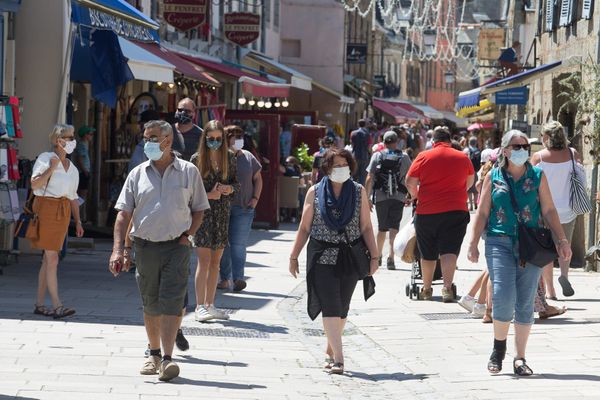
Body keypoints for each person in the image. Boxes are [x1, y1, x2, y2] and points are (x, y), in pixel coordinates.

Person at [467, 129, 571, 376]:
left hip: (530, 245)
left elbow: (549, 210)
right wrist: (472, 243)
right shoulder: (494, 176)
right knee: (503, 294)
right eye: (516, 146)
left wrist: (562, 239)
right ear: (504, 150)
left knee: (525, 301)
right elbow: (482, 212)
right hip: (498, 241)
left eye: (525, 146)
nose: (522, 150)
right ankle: (498, 348)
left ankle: (520, 357)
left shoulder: (537, 175)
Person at [110, 120, 208, 382]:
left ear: (167, 140)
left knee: (173, 302)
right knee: (150, 302)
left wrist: (188, 236)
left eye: (152, 137)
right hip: (145, 246)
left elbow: (199, 209)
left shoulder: (189, 172)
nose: (147, 142)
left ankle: (167, 359)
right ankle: (153, 354)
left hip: (177, 246)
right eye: (145, 137)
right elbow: (123, 215)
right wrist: (118, 249)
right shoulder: (137, 173)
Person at [289, 148, 379, 375]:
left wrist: (375, 256)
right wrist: (293, 256)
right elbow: (304, 228)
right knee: (330, 305)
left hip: (349, 255)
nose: (341, 169)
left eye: (344, 164)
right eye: (336, 165)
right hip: (322, 256)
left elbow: (366, 227)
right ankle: (339, 358)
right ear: (327, 169)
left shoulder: (358, 192)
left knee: (343, 308)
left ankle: (330, 349)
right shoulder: (315, 192)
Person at [406, 126, 474, 302]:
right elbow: (470, 180)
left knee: (427, 252)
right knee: (449, 251)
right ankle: (447, 289)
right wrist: (458, 192)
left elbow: (410, 181)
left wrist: (416, 195)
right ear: (450, 141)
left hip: (427, 211)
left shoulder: (423, 156)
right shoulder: (462, 157)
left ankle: (427, 289)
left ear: (433, 142)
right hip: (456, 210)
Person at [31, 124, 84, 319]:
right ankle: (57, 305)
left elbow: (73, 197)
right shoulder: (46, 158)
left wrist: (78, 221)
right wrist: (51, 169)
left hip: (63, 212)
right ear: (58, 140)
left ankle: (39, 303)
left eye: (72, 137)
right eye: (68, 137)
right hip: (46, 209)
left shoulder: (73, 168)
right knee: (52, 258)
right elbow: (34, 184)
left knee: (48, 259)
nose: (72, 141)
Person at [191, 120, 240, 322]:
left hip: (221, 214)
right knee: (203, 260)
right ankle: (199, 306)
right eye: (211, 139)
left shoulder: (229, 158)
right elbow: (191, 190)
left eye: (219, 139)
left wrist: (229, 189)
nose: (215, 142)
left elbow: (236, 183)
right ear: (205, 139)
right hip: (202, 214)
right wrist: (209, 195)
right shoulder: (196, 159)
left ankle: (211, 304)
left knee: (216, 263)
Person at [531, 120, 582, 298]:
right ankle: (564, 275)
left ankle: (550, 290)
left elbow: (531, 182)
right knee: (564, 243)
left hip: (545, 210)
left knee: (547, 248)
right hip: (568, 208)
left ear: (546, 137)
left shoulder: (539, 157)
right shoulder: (573, 154)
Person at [218, 125, 262, 292]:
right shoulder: (220, 157)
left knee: (238, 244)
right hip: (222, 207)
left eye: (240, 135)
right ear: (226, 138)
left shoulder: (248, 157)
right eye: (233, 136)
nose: (237, 139)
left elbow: (258, 179)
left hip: (244, 208)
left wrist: (255, 199)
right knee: (223, 244)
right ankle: (224, 278)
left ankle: (238, 278)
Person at [365, 131, 412, 270]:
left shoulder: (377, 155)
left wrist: (367, 197)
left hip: (380, 196)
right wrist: (410, 194)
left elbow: (369, 177)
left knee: (381, 228)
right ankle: (391, 258)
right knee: (394, 228)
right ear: (397, 142)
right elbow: (411, 177)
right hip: (399, 196)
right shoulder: (404, 157)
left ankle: (378, 256)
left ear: (383, 142)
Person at [74, 125, 94, 222]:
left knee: (82, 195)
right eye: (90, 134)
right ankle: (78, 216)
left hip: (83, 172)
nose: (91, 136)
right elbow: (80, 159)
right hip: (82, 172)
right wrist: (85, 171)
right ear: (85, 135)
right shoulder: (81, 145)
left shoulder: (84, 145)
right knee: (82, 195)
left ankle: (79, 215)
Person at [175, 97, 202, 162]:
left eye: (187, 111)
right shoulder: (167, 131)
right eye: (180, 110)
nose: (183, 113)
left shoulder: (201, 134)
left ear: (194, 114)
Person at [351, 119, 371, 185]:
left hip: (355, 155)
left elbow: (352, 144)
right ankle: (361, 190)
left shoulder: (353, 133)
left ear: (358, 124)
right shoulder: (367, 134)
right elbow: (369, 146)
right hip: (364, 156)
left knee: (354, 174)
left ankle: (353, 188)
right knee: (362, 175)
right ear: (365, 125)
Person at [464, 136, 482, 211]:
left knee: (469, 189)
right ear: (476, 143)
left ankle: (470, 205)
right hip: (476, 171)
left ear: (469, 142)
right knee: (475, 189)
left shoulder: (466, 150)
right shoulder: (478, 151)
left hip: (468, 172)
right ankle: (475, 204)